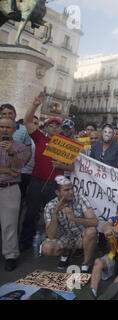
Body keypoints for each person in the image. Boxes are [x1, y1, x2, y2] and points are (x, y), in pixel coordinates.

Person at [20, 92, 74, 251]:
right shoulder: (39, 138)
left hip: (55, 186)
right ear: (46, 127)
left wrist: (62, 165)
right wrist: (35, 104)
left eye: (58, 125)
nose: (55, 127)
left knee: (54, 215)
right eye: (52, 125)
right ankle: (25, 243)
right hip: (37, 182)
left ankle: (52, 243)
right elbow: (27, 121)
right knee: (30, 214)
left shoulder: (67, 144)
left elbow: (72, 167)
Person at [80, 203, 118, 300]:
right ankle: (92, 292)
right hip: (113, 255)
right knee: (98, 262)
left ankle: (108, 293)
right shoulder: (113, 219)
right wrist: (112, 229)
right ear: (117, 213)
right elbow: (104, 228)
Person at [41, 176, 98, 272]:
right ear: (57, 193)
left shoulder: (80, 198)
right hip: (64, 237)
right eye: (66, 190)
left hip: (81, 235)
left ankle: (85, 264)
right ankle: (65, 253)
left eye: (72, 188)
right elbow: (51, 235)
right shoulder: (50, 206)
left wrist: (74, 218)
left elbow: (95, 222)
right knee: (47, 248)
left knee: (92, 231)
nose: (71, 192)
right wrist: (55, 212)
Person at [0, 117, 27, 271]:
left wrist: (11, 152)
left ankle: (10, 255)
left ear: (14, 130)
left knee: (9, 224)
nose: (4, 129)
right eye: (1, 126)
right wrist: (6, 170)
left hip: (10, 188)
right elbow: (11, 171)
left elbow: (17, 169)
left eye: (8, 127)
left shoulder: (20, 147)